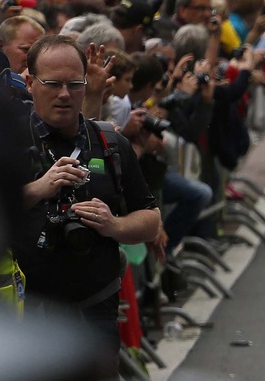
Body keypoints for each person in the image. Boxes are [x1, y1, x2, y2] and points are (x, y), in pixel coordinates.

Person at [12, 34, 160, 349]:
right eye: (52, 84)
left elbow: (150, 220)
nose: (64, 94)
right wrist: (39, 188)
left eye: (75, 84)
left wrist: (114, 225)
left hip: (96, 307)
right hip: (26, 313)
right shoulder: (7, 143)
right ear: (30, 83)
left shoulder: (111, 143)